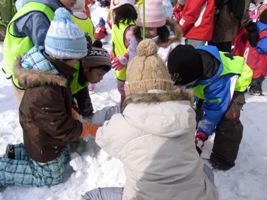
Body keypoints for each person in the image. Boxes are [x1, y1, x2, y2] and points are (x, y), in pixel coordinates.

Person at [82, 39, 219, 200]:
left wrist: (84, 123)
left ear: (132, 88)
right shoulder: (186, 113)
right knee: (205, 171)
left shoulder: (121, 125)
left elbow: (102, 135)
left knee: (91, 196)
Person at [0, 8, 100, 188]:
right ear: (65, 56)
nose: (77, 63)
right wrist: (89, 129)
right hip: (43, 141)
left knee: (61, 157)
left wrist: (70, 109)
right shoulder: (45, 89)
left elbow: (57, 108)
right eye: (76, 58)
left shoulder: (53, 71)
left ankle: (17, 153)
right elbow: (60, 127)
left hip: (46, 133)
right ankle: (3, 169)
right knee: (50, 177)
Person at [167, 44, 253, 171]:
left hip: (233, 84)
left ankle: (222, 160)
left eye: (184, 84)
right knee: (196, 107)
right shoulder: (190, 60)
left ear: (195, 78)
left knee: (228, 118)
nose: (180, 86)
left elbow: (215, 110)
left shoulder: (217, 82)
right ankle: (189, 133)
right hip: (205, 84)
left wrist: (202, 134)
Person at [2, 0, 77, 100]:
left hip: (40, 76)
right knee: (38, 114)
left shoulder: (49, 10)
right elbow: (49, 52)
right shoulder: (38, 13)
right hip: (31, 79)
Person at [109, 0, 137, 103]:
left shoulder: (131, 29)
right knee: (123, 91)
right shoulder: (118, 24)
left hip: (128, 69)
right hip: (120, 67)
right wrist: (113, 51)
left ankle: (127, 108)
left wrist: (124, 57)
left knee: (127, 91)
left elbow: (135, 47)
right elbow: (116, 40)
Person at [243, 8, 267, 95]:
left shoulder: (256, 28)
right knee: (256, 76)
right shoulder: (265, 33)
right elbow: (265, 46)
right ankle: (255, 88)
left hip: (249, 58)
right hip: (256, 62)